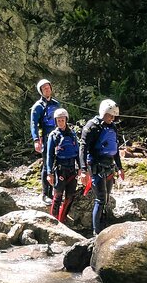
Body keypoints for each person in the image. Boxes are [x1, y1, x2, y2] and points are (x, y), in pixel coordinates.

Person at [79, 99, 124, 235]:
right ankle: (96, 233)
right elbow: (83, 148)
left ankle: (105, 227)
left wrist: (120, 167)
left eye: (114, 116)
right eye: (110, 115)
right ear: (103, 113)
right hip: (96, 166)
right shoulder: (92, 126)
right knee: (100, 199)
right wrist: (83, 170)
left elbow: (114, 148)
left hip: (109, 166)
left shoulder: (112, 127)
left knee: (107, 198)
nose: (112, 118)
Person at [45, 108, 82, 223]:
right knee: (58, 195)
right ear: (56, 121)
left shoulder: (72, 135)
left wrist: (81, 167)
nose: (60, 122)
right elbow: (49, 155)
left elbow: (77, 152)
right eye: (58, 120)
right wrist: (49, 172)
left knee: (70, 195)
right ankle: (54, 219)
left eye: (62, 120)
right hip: (60, 169)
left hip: (72, 168)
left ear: (66, 120)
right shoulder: (53, 135)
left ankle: (63, 218)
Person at [30, 79, 61, 204]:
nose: (47, 90)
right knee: (47, 164)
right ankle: (45, 194)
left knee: (58, 163)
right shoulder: (38, 106)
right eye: (44, 88)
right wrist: (36, 139)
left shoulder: (56, 104)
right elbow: (33, 124)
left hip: (58, 137)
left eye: (48, 87)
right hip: (46, 137)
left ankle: (56, 191)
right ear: (41, 91)